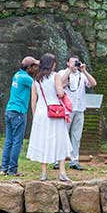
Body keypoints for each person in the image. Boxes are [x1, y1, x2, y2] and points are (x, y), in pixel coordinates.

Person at [27, 53, 72, 182]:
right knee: (60, 139)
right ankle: (62, 172)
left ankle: (44, 173)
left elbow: (34, 99)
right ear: (51, 64)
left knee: (43, 141)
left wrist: (35, 115)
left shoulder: (36, 79)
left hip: (41, 112)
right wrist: (62, 88)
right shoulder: (55, 76)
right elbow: (60, 93)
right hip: (55, 112)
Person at [53, 55, 97, 171]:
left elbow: (93, 84)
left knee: (76, 136)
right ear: (67, 63)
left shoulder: (81, 75)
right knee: (63, 134)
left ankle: (74, 160)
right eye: (72, 62)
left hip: (79, 109)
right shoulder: (62, 72)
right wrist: (69, 70)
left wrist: (84, 71)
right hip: (66, 110)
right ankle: (58, 160)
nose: (74, 65)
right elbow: (59, 83)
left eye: (76, 62)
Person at [0, 56, 39, 176]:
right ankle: (13, 170)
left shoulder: (17, 75)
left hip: (9, 110)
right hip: (18, 113)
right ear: (29, 67)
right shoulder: (27, 79)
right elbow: (38, 86)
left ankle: (4, 168)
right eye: (35, 67)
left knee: (9, 141)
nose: (36, 69)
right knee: (17, 142)